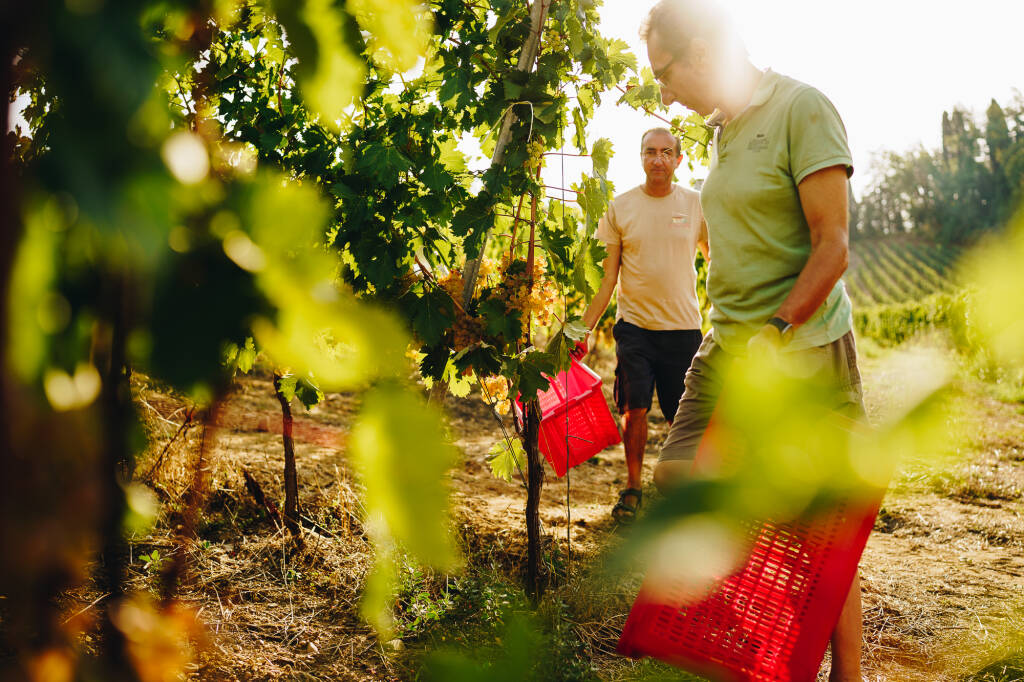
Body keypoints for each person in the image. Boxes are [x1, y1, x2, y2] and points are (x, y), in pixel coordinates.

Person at [639, 1, 866, 680]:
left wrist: (777, 328)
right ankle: (750, 637)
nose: (663, 92)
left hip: (798, 345)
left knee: (821, 527)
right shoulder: (722, 132)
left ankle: (849, 674)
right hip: (726, 342)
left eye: (665, 74)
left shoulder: (802, 109)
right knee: (676, 476)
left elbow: (834, 247)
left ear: (703, 50)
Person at [580, 127, 708, 525]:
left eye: (666, 153)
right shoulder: (620, 208)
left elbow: (716, 260)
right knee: (633, 409)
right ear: (640, 157)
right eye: (650, 152)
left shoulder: (696, 205)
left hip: (684, 329)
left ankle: (681, 495)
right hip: (635, 327)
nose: (658, 160)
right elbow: (607, 279)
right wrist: (583, 329)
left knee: (680, 417)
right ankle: (633, 487)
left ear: (678, 160)